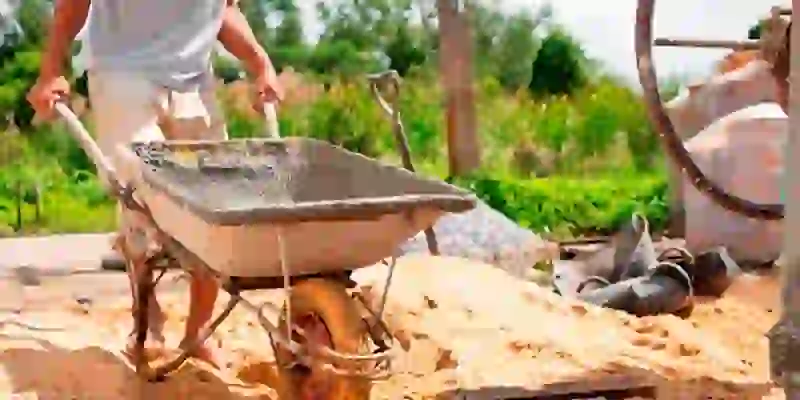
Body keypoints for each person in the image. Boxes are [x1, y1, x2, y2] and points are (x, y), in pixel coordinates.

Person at [26, 0, 283, 367]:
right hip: (123, 71)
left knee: (215, 205)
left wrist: (261, 65)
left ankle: (198, 332)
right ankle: (148, 318)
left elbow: (225, 9)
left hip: (194, 77)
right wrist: (51, 70)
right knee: (142, 197)